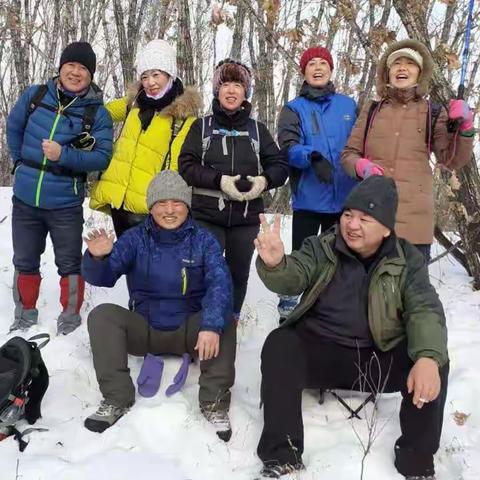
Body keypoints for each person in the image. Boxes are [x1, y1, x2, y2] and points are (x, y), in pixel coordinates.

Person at [254, 176, 448, 480]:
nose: (352, 225)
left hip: (377, 358)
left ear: (386, 228)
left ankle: (416, 463)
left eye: (364, 218)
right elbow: (295, 275)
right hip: (321, 352)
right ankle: (283, 457)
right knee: (280, 343)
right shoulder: (323, 247)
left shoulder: (407, 259)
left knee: (433, 358)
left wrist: (427, 358)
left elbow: (425, 308)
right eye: (348, 215)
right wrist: (277, 264)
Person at [82, 171, 236, 441]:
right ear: (151, 206)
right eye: (161, 203)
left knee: (224, 317)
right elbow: (103, 278)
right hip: (145, 330)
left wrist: (211, 324)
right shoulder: (134, 238)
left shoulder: (204, 240)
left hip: (191, 333)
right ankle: (117, 397)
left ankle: (214, 402)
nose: (169, 210)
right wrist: (97, 258)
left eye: (176, 203)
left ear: (186, 206)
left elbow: (220, 284)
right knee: (102, 315)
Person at [7, 41, 113, 335]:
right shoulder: (36, 95)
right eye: (71, 65)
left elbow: (102, 156)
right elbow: (14, 128)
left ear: (90, 75)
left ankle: (70, 319)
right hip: (26, 198)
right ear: (61, 67)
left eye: (83, 68)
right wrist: (18, 162)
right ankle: (25, 314)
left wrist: (63, 155)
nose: (76, 72)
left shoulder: (96, 114)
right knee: (25, 259)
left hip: (65, 201)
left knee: (68, 263)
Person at [342, 39, 474, 263]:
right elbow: (348, 155)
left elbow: (451, 159)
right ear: (388, 72)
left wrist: (465, 128)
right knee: (364, 293)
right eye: (396, 63)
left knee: (412, 296)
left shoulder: (433, 112)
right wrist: (361, 166)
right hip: (370, 221)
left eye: (410, 64)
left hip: (415, 226)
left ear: (420, 73)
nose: (402, 68)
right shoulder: (372, 109)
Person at [179, 59, 288, 321]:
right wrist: (219, 181)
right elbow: (186, 165)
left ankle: (232, 321)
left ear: (245, 92)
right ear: (217, 90)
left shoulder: (257, 131)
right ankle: (200, 320)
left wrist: (264, 181)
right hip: (206, 214)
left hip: (246, 217)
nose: (231, 90)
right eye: (225, 83)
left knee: (238, 273)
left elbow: (280, 166)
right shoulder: (201, 127)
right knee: (205, 269)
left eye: (237, 84)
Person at [276, 46, 358, 320]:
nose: (318, 68)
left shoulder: (348, 106)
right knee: (304, 256)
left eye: (323, 63)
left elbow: (361, 145)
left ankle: (332, 309)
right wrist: (310, 156)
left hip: (345, 200)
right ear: (304, 72)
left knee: (340, 259)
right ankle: (291, 304)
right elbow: (287, 147)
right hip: (309, 200)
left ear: (331, 69)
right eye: (312, 64)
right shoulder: (293, 109)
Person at [89, 39, 201, 237]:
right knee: (125, 263)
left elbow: (176, 167)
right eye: (145, 76)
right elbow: (101, 114)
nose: (150, 82)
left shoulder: (183, 118)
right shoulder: (134, 103)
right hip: (119, 202)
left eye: (156, 75)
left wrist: (167, 206)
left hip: (149, 208)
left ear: (170, 75)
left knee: (150, 266)